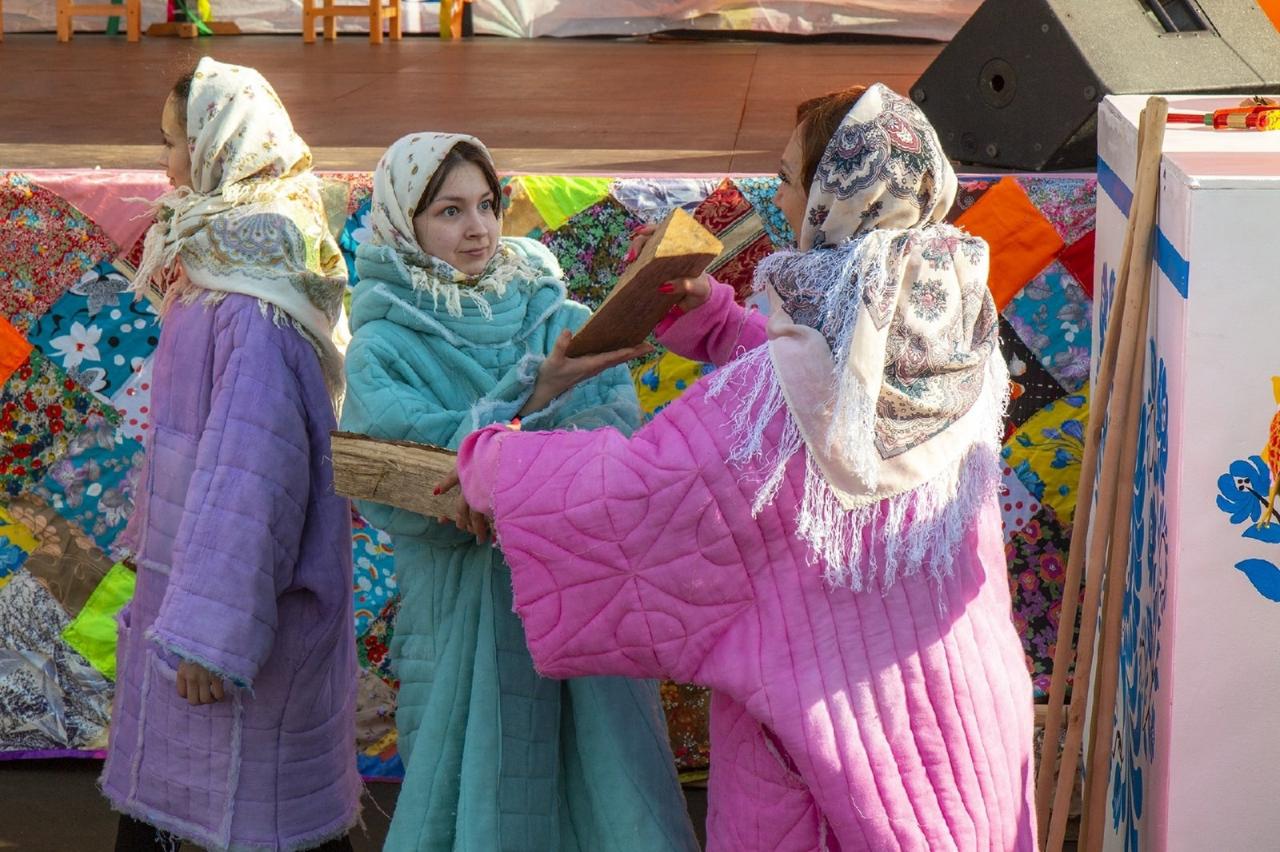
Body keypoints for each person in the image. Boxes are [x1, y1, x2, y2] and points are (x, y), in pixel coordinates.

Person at [448, 83, 1038, 850]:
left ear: (839, 197)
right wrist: (716, 319)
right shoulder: (948, 318)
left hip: (838, 758)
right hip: (963, 718)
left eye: (791, 179)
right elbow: (834, 388)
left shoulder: (774, 402)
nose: (780, 196)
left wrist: (494, 459)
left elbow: (632, 493)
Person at [339, 132, 699, 852]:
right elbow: (414, 480)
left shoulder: (558, 316)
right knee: (472, 805)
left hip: (581, 602)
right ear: (404, 223)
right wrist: (537, 393)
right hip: (457, 615)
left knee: (610, 800)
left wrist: (502, 473)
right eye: (449, 211)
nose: (477, 228)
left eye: (486, 204)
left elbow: (610, 448)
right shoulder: (383, 345)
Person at [99, 58, 360, 852]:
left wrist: (210, 639)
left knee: (250, 813)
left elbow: (254, 475)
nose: (166, 163)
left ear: (220, 146)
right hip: (202, 590)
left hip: (233, 624)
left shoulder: (253, 298)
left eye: (175, 142)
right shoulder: (228, 256)